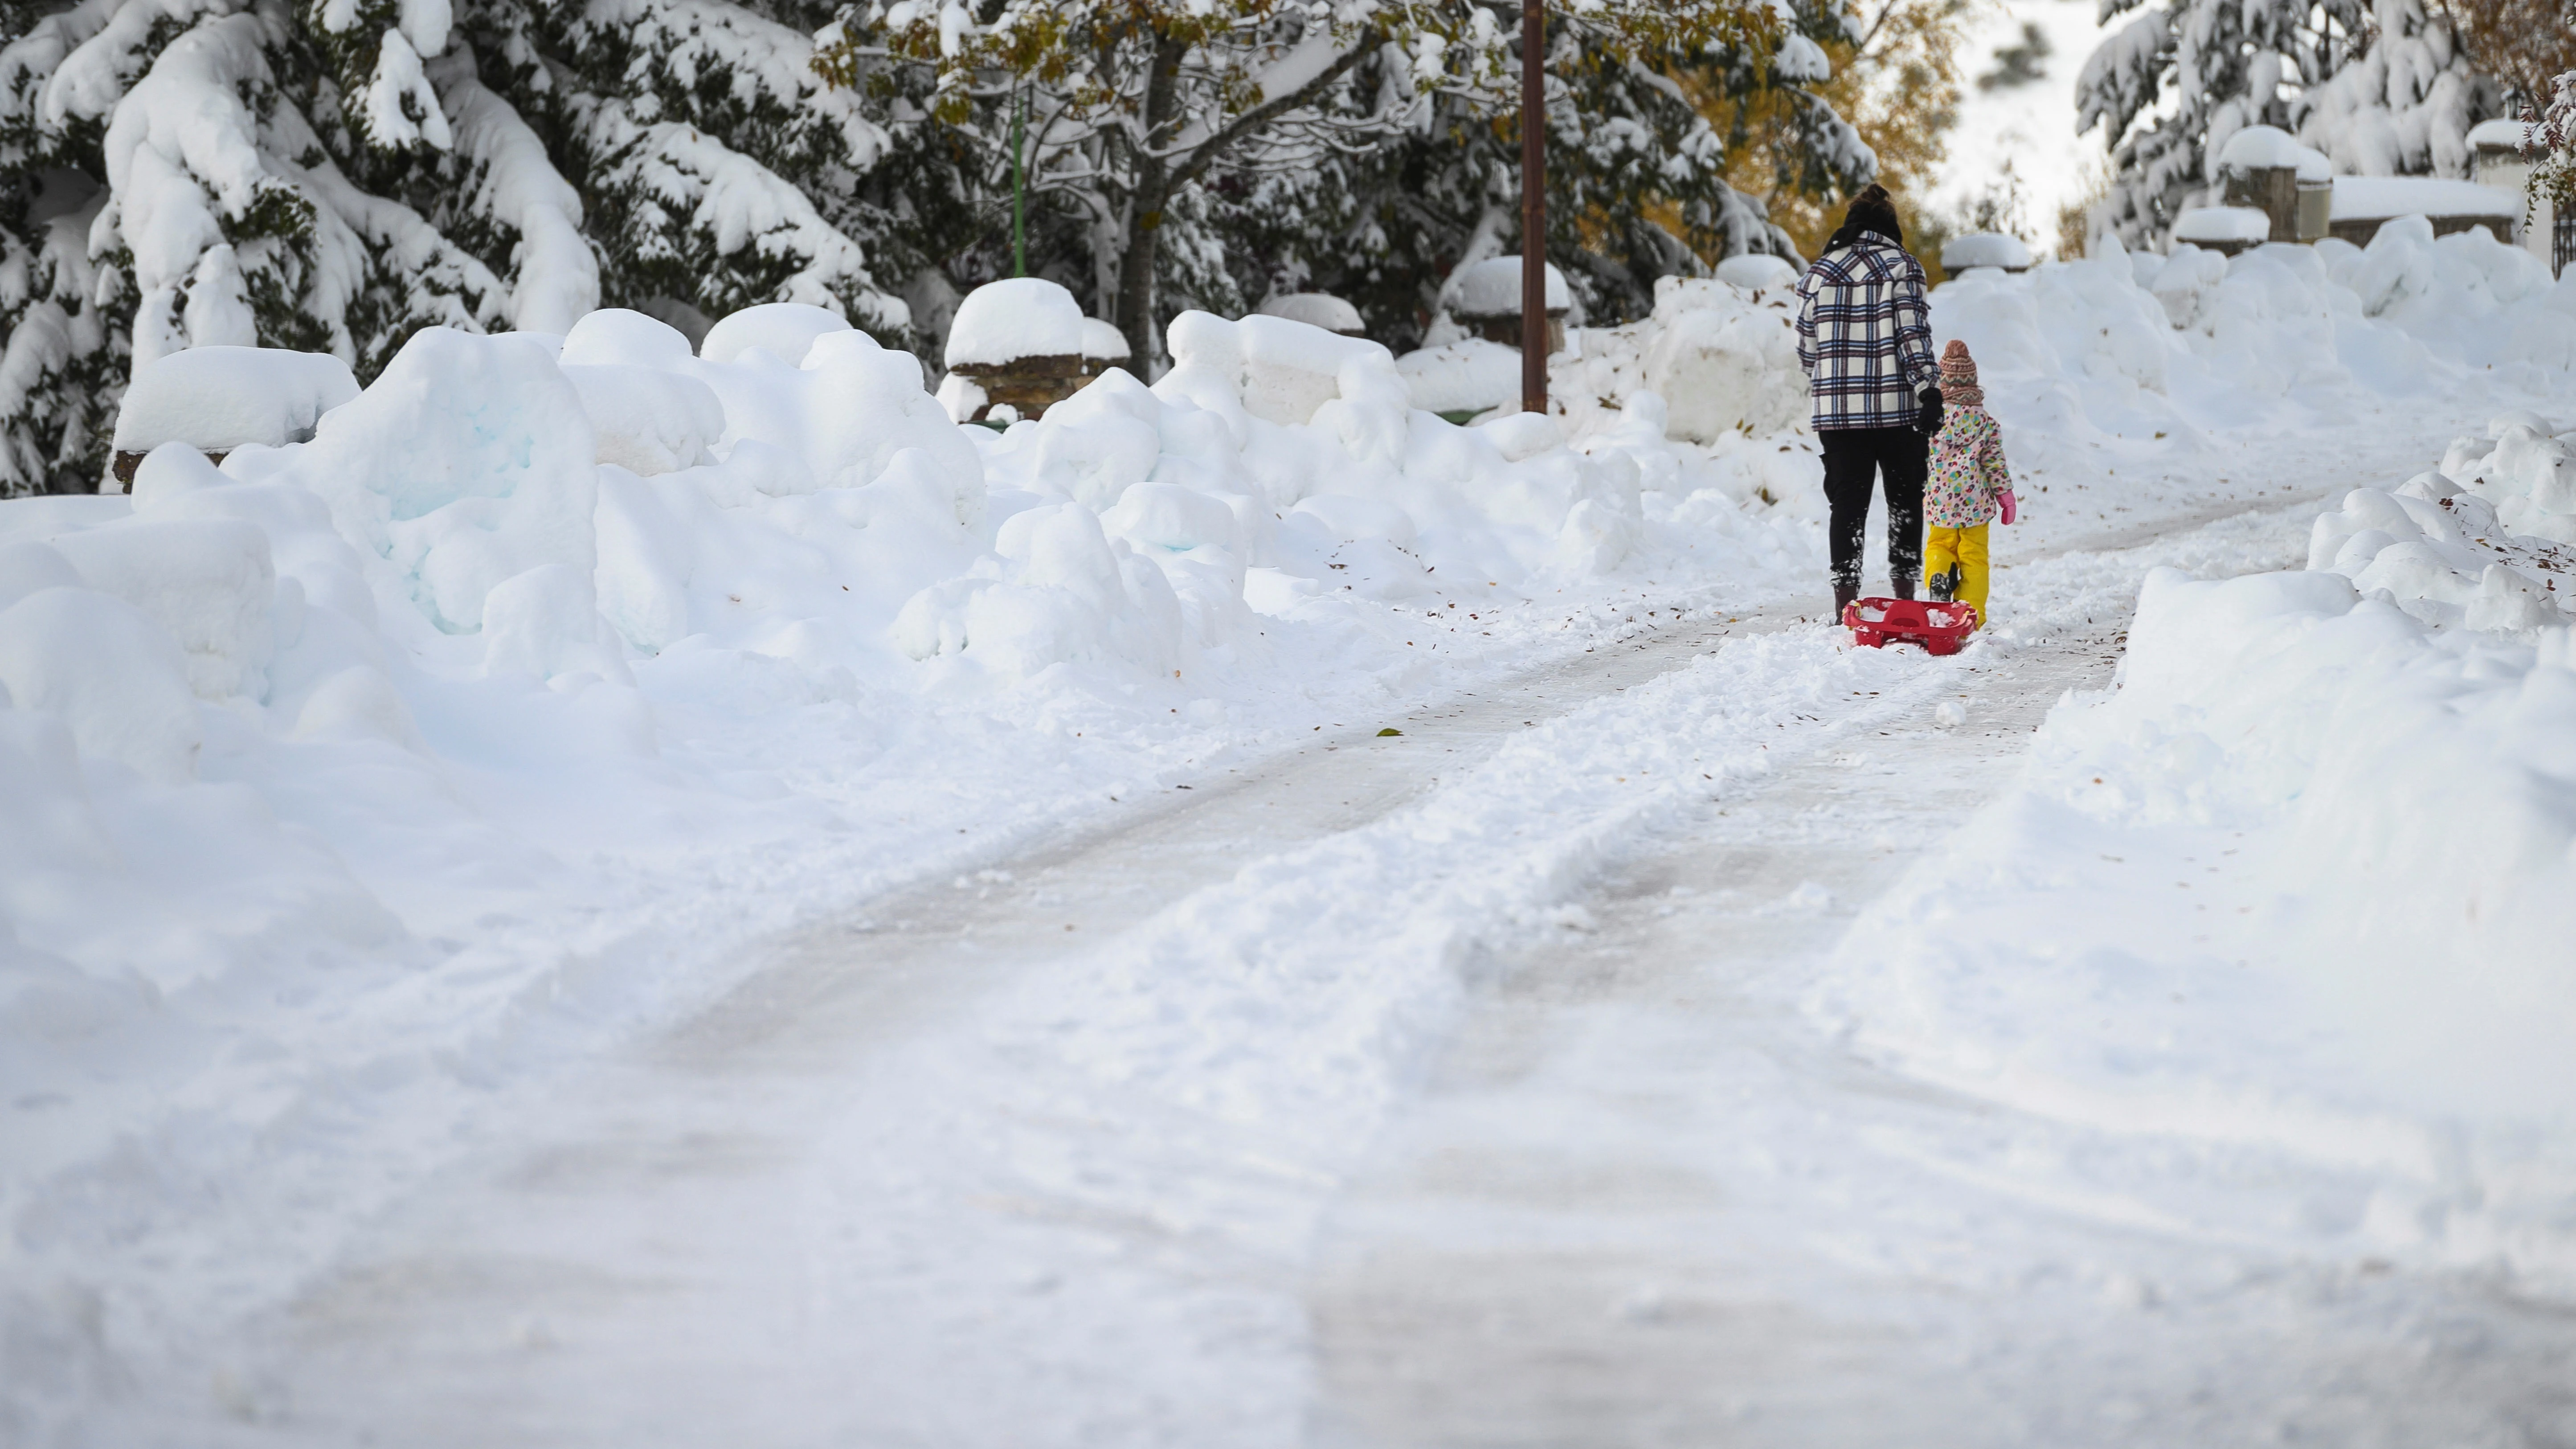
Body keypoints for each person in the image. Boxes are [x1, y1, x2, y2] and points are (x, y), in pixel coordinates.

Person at [1793, 184, 1942, 614]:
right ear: (1890, 229)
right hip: (1897, 412)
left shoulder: (1817, 274)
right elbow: (1912, 336)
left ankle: (1846, 605)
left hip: (1838, 416)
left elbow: (1807, 349)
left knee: (1847, 507)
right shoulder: (1902, 266)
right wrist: (1928, 389)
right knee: (1905, 502)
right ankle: (1905, 598)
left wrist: (1830, 382)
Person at [1920, 340, 2016, 625]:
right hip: (1976, 505)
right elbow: (1995, 464)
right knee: (1974, 558)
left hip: (1941, 501)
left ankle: (1939, 574)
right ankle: (1972, 616)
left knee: (1939, 545)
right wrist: (2006, 496)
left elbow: (1919, 458)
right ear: (1973, 383)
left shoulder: (1933, 421)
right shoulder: (1986, 423)